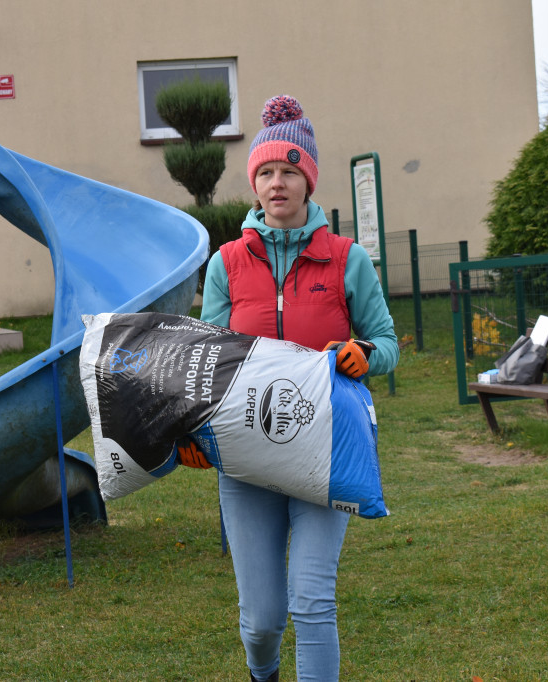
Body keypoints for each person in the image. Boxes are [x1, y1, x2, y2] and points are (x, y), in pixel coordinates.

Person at [198, 95, 399, 681]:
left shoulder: (345, 259)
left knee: (311, 602)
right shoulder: (226, 264)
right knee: (262, 620)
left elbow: (385, 342)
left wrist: (364, 354)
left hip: (324, 453)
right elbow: (203, 361)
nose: (277, 183)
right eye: (266, 172)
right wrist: (190, 429)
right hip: (245, 458)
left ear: (309, 181)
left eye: (290, 172)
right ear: (254, 184)